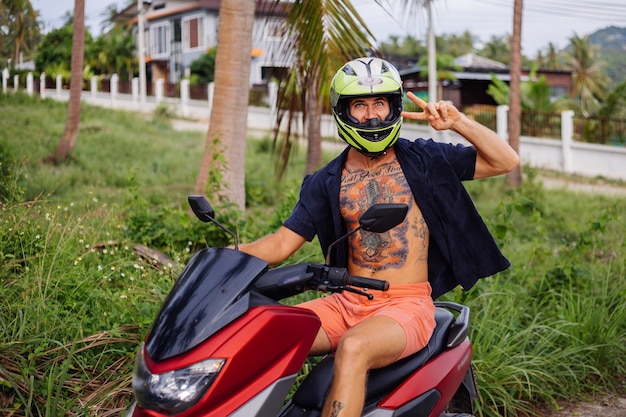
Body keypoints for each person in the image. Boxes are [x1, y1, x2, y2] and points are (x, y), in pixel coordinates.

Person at [238, 57, 520, 417]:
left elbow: (505, 161)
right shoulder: (327, 180)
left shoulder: (425, 159)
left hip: (405, 306)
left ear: (393, 107)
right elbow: (280, 243)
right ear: (344, 112)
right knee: (265, 333)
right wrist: (219, 260)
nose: (371, 115)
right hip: (344, 303)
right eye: (360, 105)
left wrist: (458, 122)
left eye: (379, 103)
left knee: (354, 347)